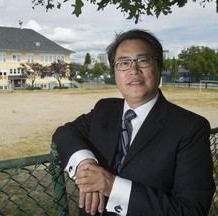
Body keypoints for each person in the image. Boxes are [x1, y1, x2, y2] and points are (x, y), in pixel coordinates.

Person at [52, 29, 214, 216]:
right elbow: (65, 132)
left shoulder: (190, 128)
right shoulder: (105, 109)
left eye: (143, 60)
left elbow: (191, 210)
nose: (133, 70)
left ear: (159, 67)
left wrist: (112, 186)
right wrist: (84, 163)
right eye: (123, 63)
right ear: (114, 71)